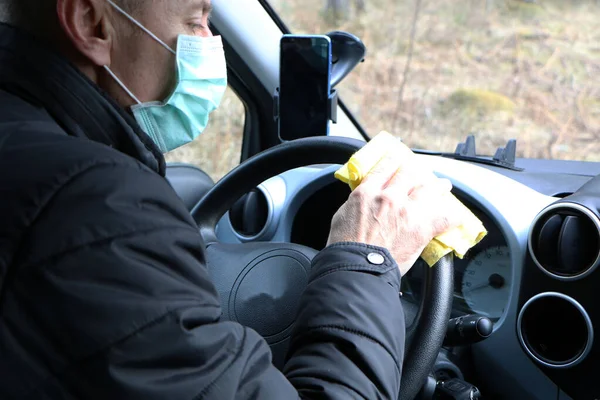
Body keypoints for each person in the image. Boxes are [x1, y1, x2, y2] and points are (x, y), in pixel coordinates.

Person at [0, 0, 456, 398]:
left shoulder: (30, 152)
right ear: (91, 22)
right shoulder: (99, 209)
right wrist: (366, 258)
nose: (209, 41)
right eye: (196, 21)